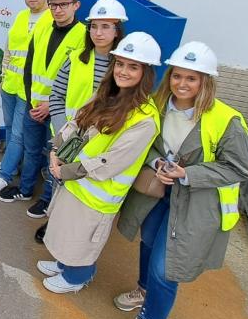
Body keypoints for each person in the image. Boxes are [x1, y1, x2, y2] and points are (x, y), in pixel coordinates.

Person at [112, 41, 248, 319]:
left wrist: (187, 175)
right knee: (148, 243)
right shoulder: (159, 107)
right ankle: (144, 291)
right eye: (177, 76)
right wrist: (158, 163)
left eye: (192, 78)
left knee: (166, 264)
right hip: (158, 192)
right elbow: (151, 147)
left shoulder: (226, 121)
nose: (182, 84)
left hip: (194, 203)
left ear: (205, 82)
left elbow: (239, 168)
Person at [37, 32, 162, 294]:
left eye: (133, 66)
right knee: (66, 230)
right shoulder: (107, 94)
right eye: (120, 64)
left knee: (82, 240)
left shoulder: (144, 118)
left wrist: (65, 170)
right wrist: (57, 148)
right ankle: (64, 265)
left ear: (146, 72)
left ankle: (77, 277)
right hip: (75, 180)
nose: (123, 71)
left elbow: (111, 161)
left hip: (96, 190)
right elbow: (76, 122)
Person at [32, 0, 128, 243]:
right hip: (69, 131)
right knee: (59, 175)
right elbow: (57, 95)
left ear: (117, 30)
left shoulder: (122, 66)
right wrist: (62, 128)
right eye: (94, 26)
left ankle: (70, 233)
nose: (98, 33)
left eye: (106, 26)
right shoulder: (77, 58)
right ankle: (51, 222)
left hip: (97, 140)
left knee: (81, 185)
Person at [16, 0, 88, 214]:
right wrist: (31, 101)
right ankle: (25, 189)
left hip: (61, 114)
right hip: (34, 105)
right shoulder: (42, 28)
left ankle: (47, 200)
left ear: (76, 5)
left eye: (63, 4)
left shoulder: (84, 37)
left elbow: (80, 81)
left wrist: (51, 106)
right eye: (53, 4)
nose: (57, 10)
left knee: (55, 157)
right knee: (31, 149)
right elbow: (29, 68)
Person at [0, 0, 51, 181]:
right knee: (12, 128)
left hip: (31, 90)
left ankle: (6, 172)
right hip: (10, 84)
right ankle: (11, 165)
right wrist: (3, 76)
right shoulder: (21, 16)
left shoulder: (52, 19)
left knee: (19, 134)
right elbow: (9, 49)